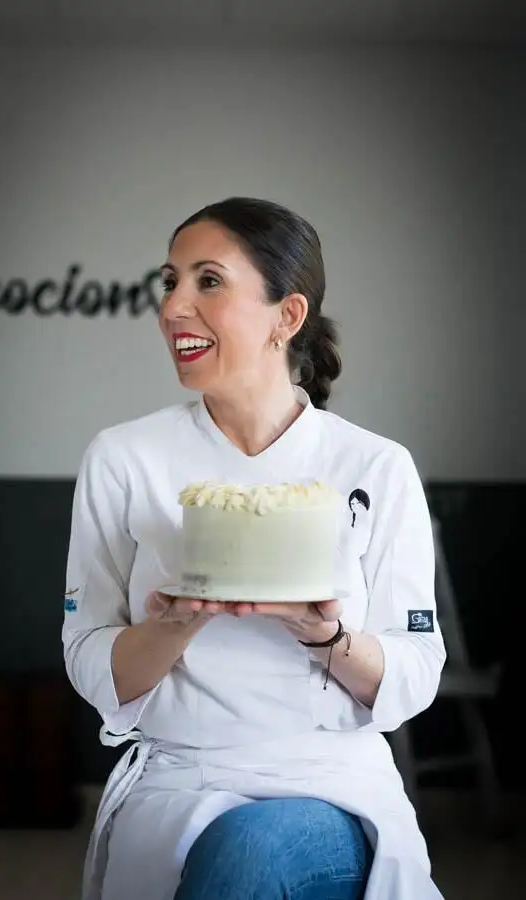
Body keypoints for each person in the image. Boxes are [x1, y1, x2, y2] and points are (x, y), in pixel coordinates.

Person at [63, 197, 447, 900]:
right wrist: (177, 618)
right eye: (169, 280)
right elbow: (89, 657)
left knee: (249, 854)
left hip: (328, 783)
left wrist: (323, 632)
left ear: (287, 316)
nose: (174, 306)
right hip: (177, 781)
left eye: (208, 281)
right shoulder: (124, 459)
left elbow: (417, 668)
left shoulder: (373, 466)